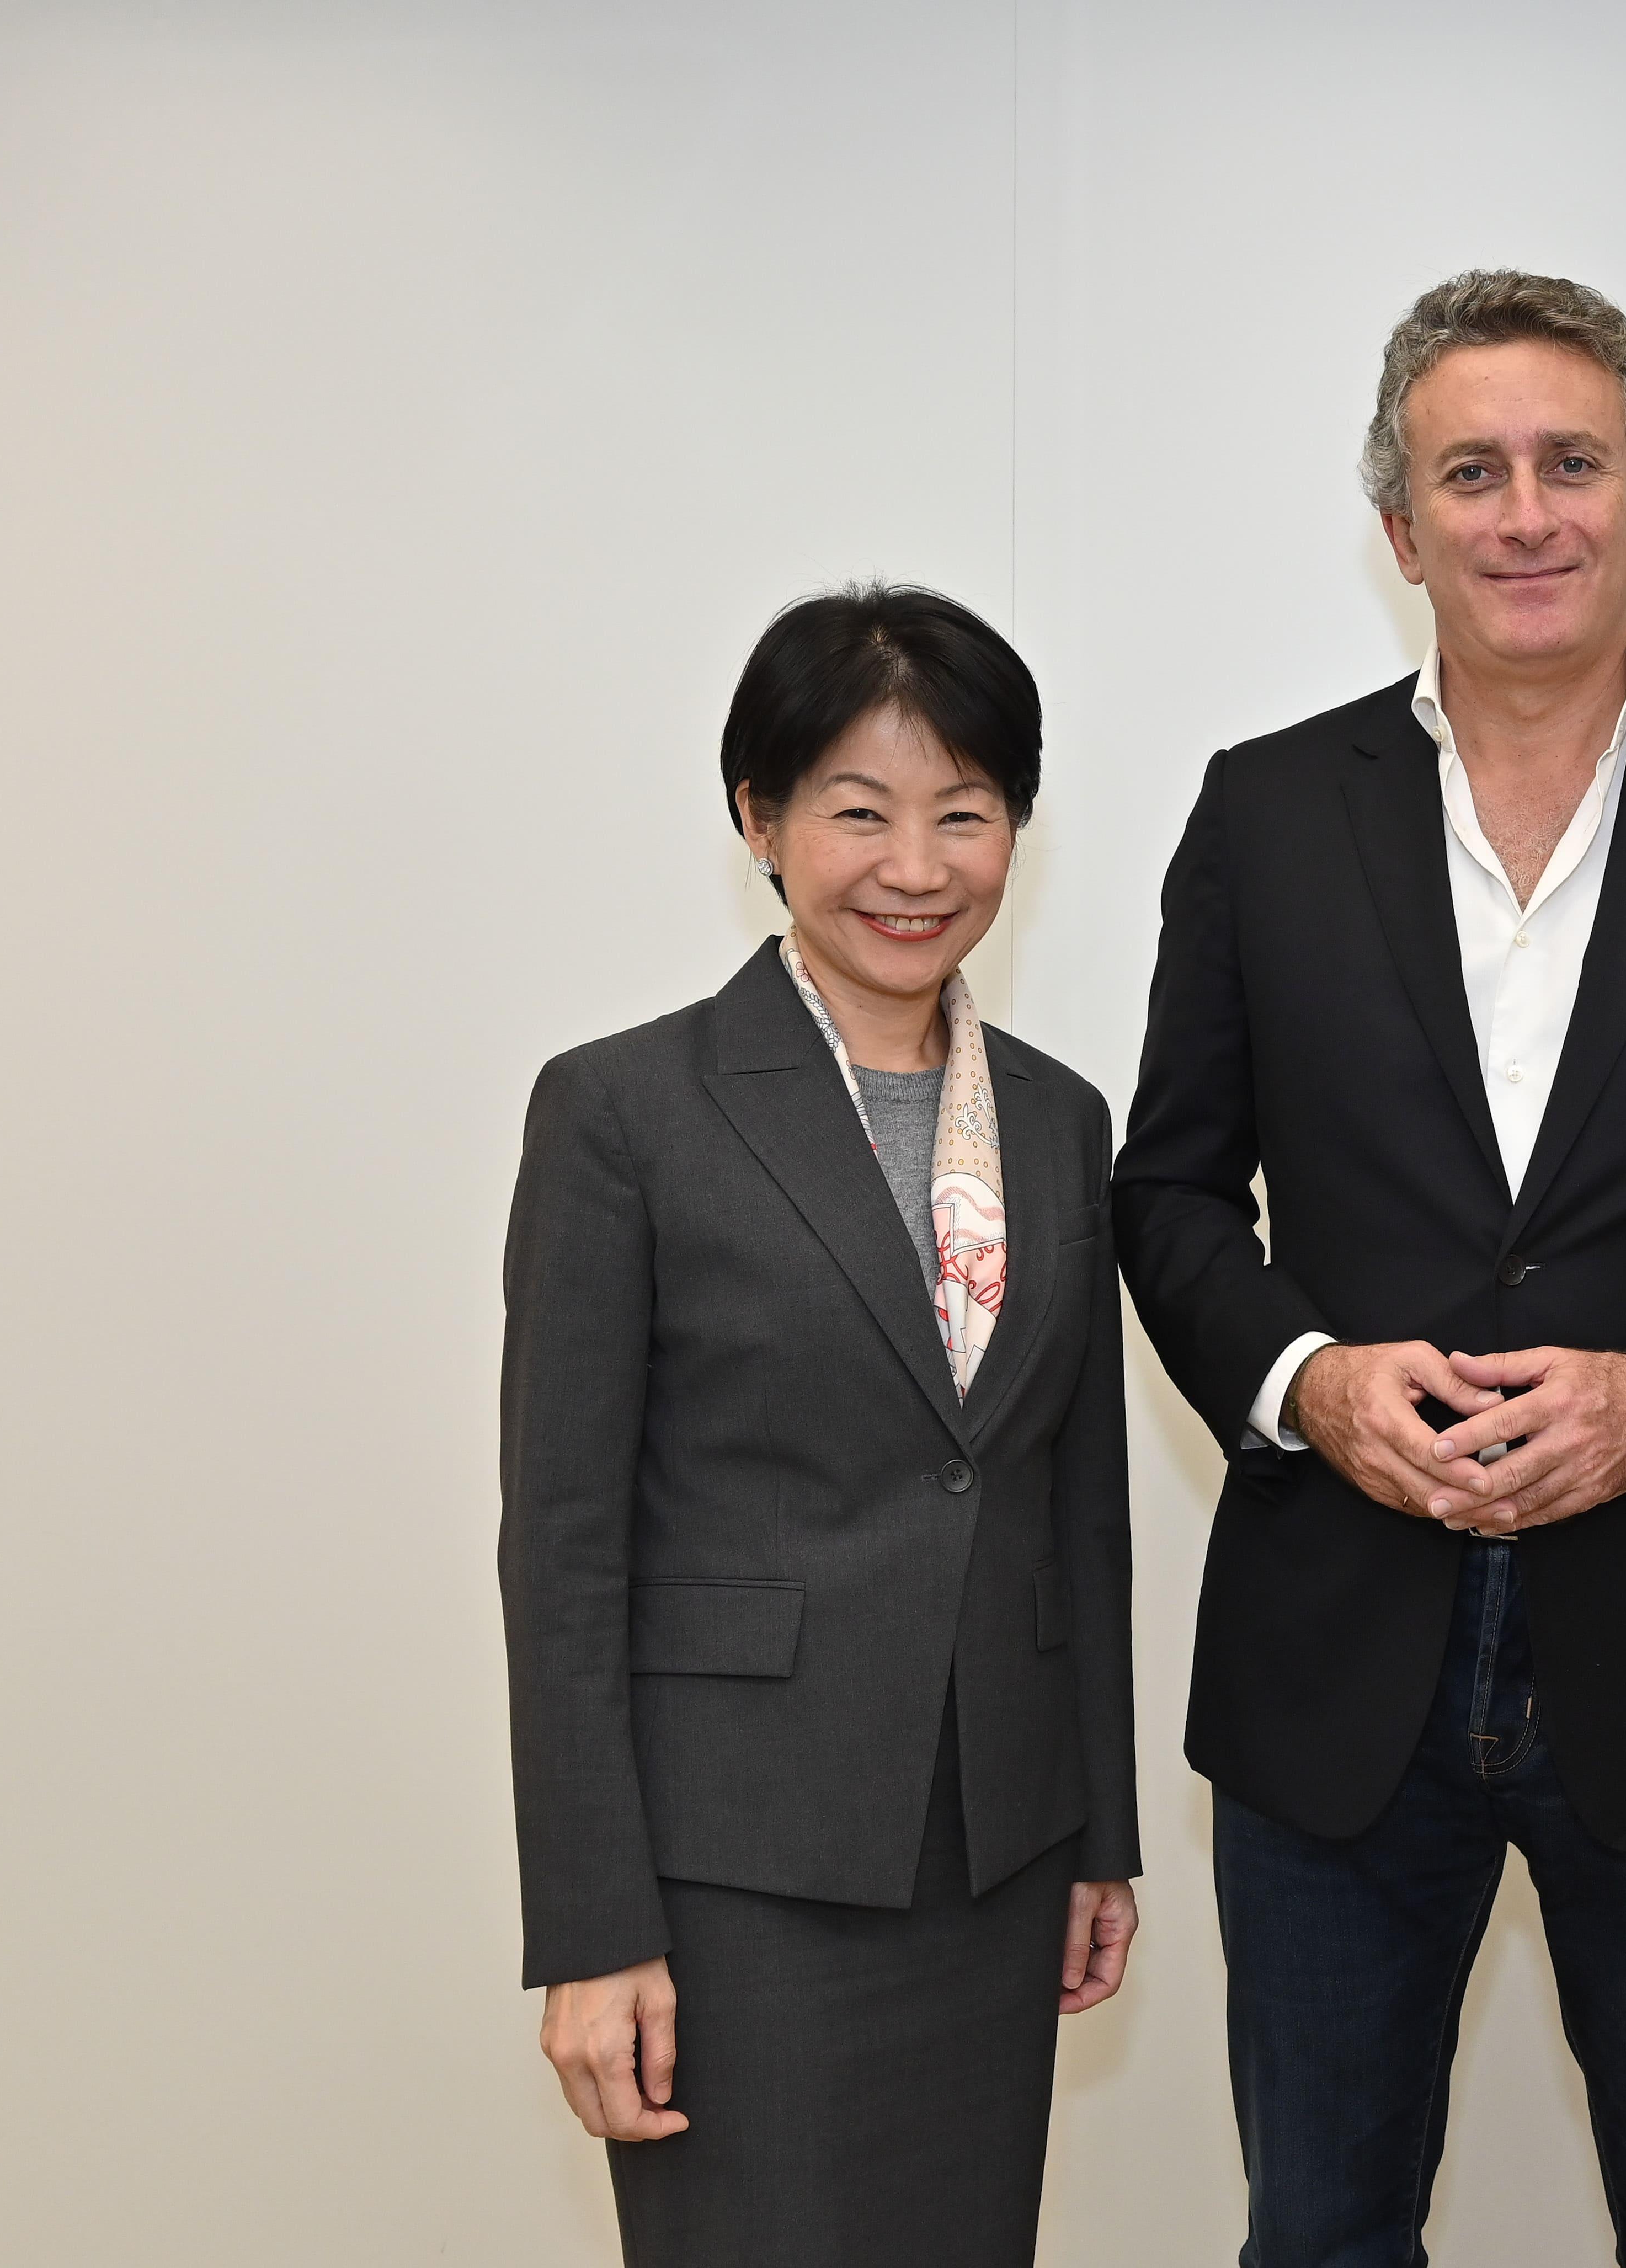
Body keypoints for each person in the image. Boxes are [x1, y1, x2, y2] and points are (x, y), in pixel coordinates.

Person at [1113, 270, 1626, 2267]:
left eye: (1571, 465)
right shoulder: (1262, 811)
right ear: (1399, 531)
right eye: (1469, 474)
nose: (1525, 514)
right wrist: (1309, 1382)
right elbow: (1167, 1193)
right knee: (1319, 2234)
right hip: (1336, 1659)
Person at [499, 585, 1140, 2267]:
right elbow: (561, 1550)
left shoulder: (1063, 1123)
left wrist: (1101, 1833)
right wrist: (591, 1929)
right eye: (859, 812)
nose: (915, 867)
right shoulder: (625, 1110)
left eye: (964, 813)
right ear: (760, 819)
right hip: (734, 1875)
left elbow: (1075, 1506)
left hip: (999, 1856)